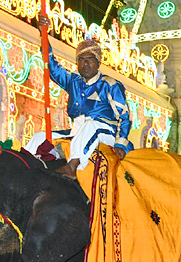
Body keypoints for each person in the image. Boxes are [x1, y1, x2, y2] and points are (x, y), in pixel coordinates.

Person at [41, 22, 131, 175]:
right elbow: (53, 69)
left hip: (106, 133)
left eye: (90, 58)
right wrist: (43, 35)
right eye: (81, 59)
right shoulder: (74, 82)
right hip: (79, 131)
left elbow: (124, 117)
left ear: (98, 63)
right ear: (77, 64)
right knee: (41, 136)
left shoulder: (110, 84)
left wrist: (120, 144)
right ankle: (28, 170)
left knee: (91, 126)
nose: (86, 63)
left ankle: (72, 167)